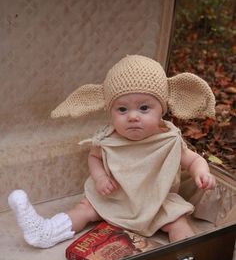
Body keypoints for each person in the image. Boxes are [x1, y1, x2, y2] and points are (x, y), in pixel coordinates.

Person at [8, 55, 216, 248]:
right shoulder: (107, 139)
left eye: (144, 108)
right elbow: (94, 157)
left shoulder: (169, 140)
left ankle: (188, 250)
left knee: (177, 220)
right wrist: (100, 178)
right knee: (85, 208)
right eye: (122, 109)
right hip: (116, 197)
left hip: (156, 201)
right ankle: (47, 231)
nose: (133, 116)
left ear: (162, 108)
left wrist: (201, 172)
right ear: (110, 111)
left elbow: (193, 160)